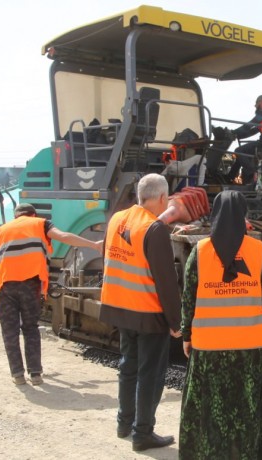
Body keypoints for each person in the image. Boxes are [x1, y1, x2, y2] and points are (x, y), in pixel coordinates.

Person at [178, 190, 262, 460]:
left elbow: (188, 301)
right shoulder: (259, 252)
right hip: (252, 350)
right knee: (248, 412)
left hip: (208, 350)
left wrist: (187, 336)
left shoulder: (199, 253)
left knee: (208, 413)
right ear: (243, 216)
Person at [99, 173, 182, 452]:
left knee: (128, 367)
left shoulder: (117, 220)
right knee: (150, 374)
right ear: (161, 198)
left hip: (119, 306)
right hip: (147, 312)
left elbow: (107, 257)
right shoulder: (154, 229)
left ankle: (124, 422)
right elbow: (166, 281)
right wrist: (176, 321)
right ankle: (143, 433)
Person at [0, 203, 102, 386]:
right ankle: (35, 374)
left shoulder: (0, 231)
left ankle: (17, 374)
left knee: (10, 331)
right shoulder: (41, 224)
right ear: (33, 215)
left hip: (5, 285)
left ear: (16, 216)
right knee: (30, 328)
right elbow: (64, 237)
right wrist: (93, 245)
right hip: (29, 284)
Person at [225, 94, 262, 186]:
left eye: (257, 103)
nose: (256, 106)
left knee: (238, 151)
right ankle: (229, 177)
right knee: (241, 155)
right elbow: (253, 130)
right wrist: (238, 135)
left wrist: (234, 131)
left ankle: (253, 172)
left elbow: (250, 124)